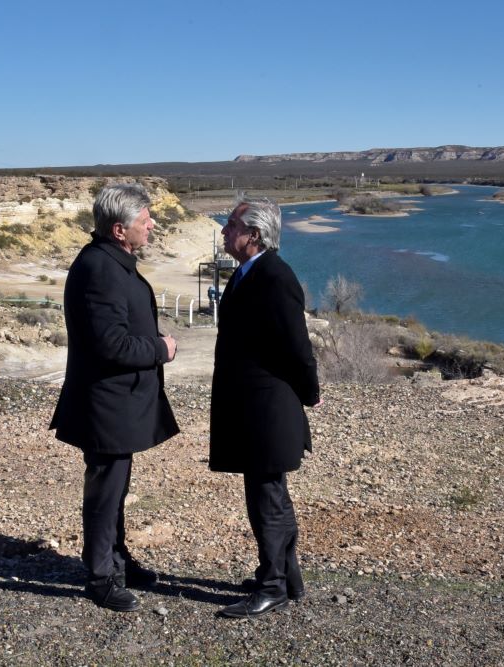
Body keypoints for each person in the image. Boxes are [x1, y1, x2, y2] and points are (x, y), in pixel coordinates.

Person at [49, 182, 179, 612]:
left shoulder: (111, 260)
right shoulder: (99, 269)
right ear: (120, 230)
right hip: (105, 404)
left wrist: (150, 337)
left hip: (118, 402)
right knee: (106, 492)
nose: (153, 225)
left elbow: (120, 328)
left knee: (116, 488)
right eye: (146, 220)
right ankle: (101, 577)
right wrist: (162, 349)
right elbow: (111, 345)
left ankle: (116, 559)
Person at [209, 196, 321, 618]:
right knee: (270, 493)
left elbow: (297, 345)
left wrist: (310, 392)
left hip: (268, 408)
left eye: (230, 224)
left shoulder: (275, 276)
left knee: (267, 497)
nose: (224, 230)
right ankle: (287, 578)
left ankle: (271, 584)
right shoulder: (248, 272)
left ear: (252, 234)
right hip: (252, 405)